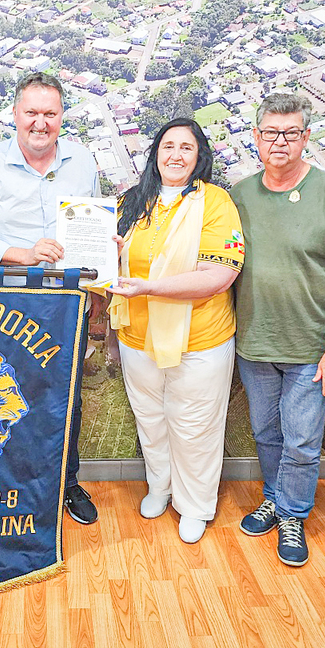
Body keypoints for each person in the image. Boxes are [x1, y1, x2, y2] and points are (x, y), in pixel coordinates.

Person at [230, 92, 325, 568]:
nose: (280, 142)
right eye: (270, 132)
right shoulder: (240, 195)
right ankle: (273, 497)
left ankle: (292, 514)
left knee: (301, 441)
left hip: (310, 349)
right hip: (254, 344)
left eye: (290, 133)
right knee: (267, 433)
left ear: (305, 137)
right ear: (256, 138)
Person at [0, 72, 100, 525]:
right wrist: (25, 254)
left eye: (50, 114)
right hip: (7, 302)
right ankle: (6, 484)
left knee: (66, 396)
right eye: (32, 113)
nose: (40, 123)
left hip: (66, 301)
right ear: (15, 115)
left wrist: (103, 251)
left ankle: (67, 482)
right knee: (4, 393)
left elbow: (93, 226)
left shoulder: (83, 160)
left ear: (62, 117)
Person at [107, 118, 244, 544]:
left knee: (195, 425)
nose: (176, 154)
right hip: (136, 338)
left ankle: (195, 504)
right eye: (168, 145)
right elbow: (107, 264)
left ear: (199, 157)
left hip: (199, 339)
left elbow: (219, 276)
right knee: (150, 419)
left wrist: (150, 288)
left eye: (187, 147)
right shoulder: (132, 201)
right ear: (155, 153)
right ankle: (160, 487)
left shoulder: (216, 202)